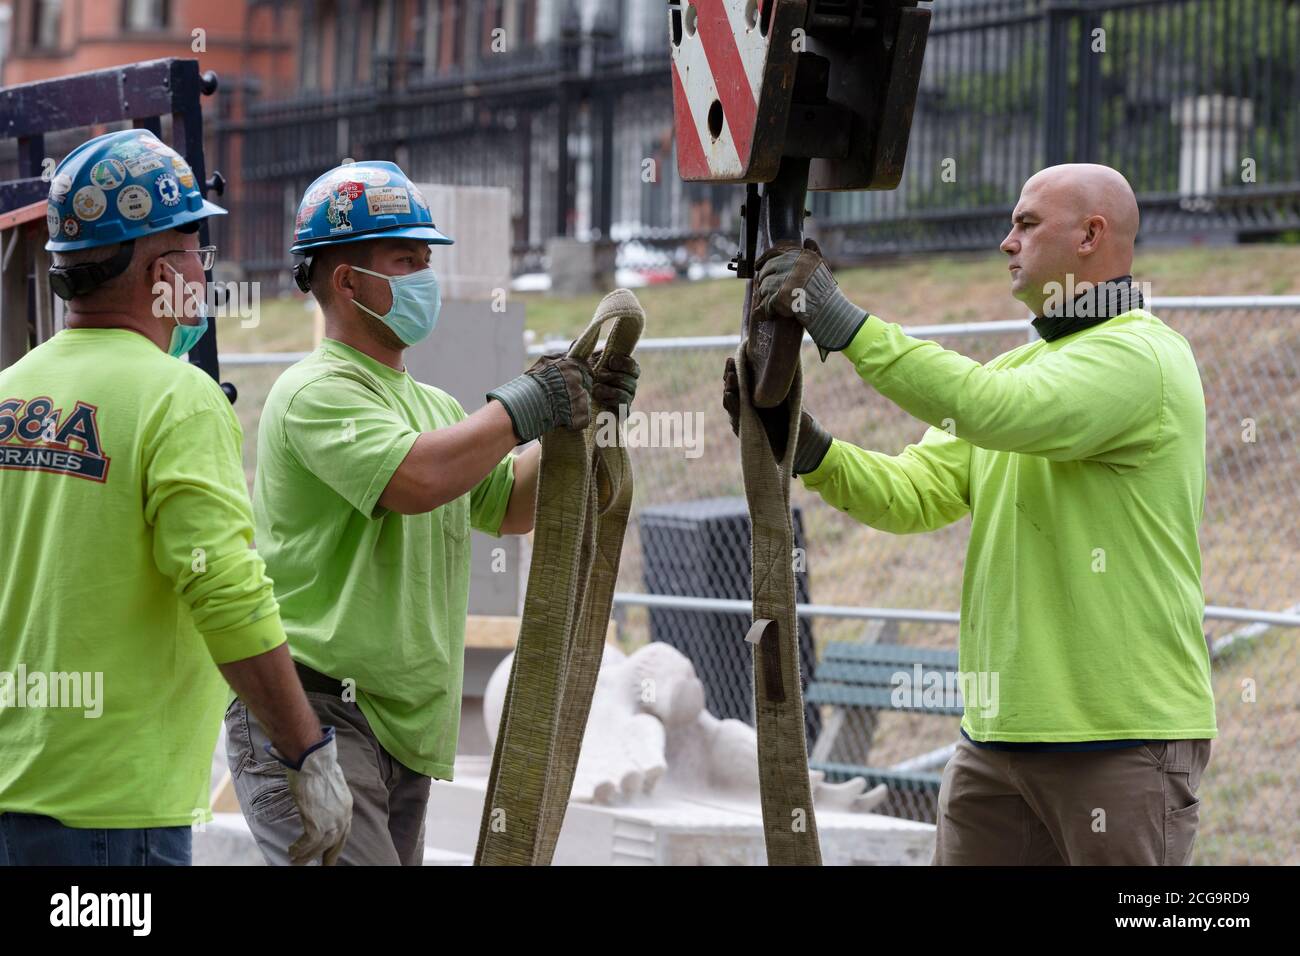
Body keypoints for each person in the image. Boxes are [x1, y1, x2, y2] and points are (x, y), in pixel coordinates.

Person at [724, 163, 1216, 865]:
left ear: (1090, 235)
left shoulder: (1142, 358)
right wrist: (810, 449)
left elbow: (995, 412)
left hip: (1119, 740)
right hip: (996, 742)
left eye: (1026, 223)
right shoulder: (1023, 372)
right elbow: (912, 493)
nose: (1005, 242)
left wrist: (847, 326)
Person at [226, 160, 640, 864]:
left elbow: (509, 505)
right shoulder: (315, 391)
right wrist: (524, 407)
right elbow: (415, 478)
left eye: (426, 259)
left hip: (400, 729)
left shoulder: (433, 408)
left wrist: (586, 420)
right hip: (314, 714)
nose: (424, 277)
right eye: (404, 259)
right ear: (347, 281)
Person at [0, 129, 351, 866]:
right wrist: (306, 750)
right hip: (110, 813)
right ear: (161, 271)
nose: (203, 270)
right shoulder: (176, 399)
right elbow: (224, 593)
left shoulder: (9, 391)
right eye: (196, 250)